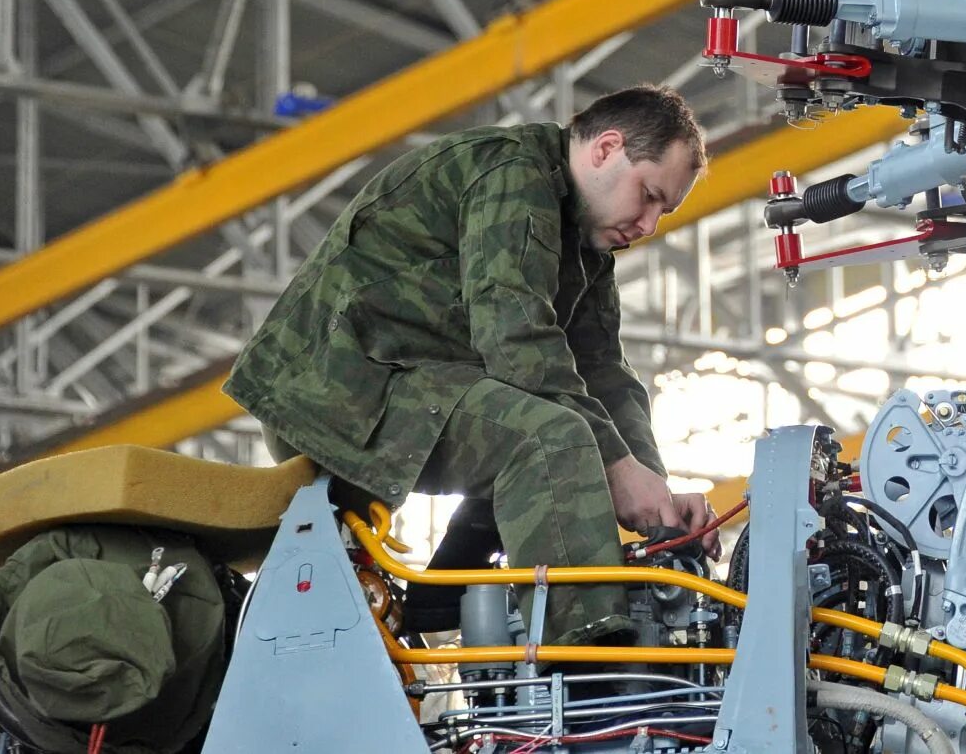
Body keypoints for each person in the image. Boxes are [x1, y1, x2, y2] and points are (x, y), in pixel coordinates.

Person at [225, 85, 713, 645]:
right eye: (649, 195)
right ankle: (591, 672)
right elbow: (516, 336)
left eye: (663, 210)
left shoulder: (586, 244)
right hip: (335, 389)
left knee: (552, 427)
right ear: (605, 148)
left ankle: (441, 597)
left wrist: (653, 492)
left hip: (409, 383)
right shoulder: (512, 173)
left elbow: (603, 371)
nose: (649, 224)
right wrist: (617, 468)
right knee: (551, 439)